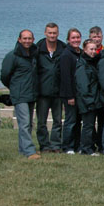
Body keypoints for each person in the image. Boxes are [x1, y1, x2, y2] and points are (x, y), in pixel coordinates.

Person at [0, 30, 40, 159]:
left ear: (33, 39)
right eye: (25, 38)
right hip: (19, 94)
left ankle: (23, 149)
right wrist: (14, 87)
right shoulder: (12, 56)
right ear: (19, 40)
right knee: (24, 123)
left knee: (28, 122)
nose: (27, 41)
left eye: (29, 38)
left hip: (31, 93)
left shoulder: (34, 55)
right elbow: (4, 75)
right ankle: (29, 151)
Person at [35, 23, 65, 153]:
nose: (52, 35)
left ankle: (55, 144)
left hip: (58, 92)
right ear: (45, 33)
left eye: (54, 33)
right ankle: (44, 145)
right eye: (50, 33)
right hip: (42, 92)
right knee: (41, 121)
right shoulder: (37, 49)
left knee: (57, 121)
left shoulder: (63, 48)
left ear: (58, 33)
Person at [75, 39, 102, 156]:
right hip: (87, 101)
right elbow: (83, 86)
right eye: (90, 49)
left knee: (90, 125)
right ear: (84, 50)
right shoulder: (83, 65)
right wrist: (89, 102)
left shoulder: (91, 63)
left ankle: (89, 146)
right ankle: (86, 148)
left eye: (95, 49)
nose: (93, 51)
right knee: (88, 125)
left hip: (93, 99)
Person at [60, 28, 82, 154]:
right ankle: (67, 146)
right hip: (70, 94)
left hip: (79, 94)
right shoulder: (66, 55)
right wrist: (70, 96)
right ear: (68, 39)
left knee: (78, 121)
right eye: (73, 38)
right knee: (70, 121)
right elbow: (65, 77)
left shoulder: (80, 53)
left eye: (78, 37)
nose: (76, 40)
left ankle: (77, 145)